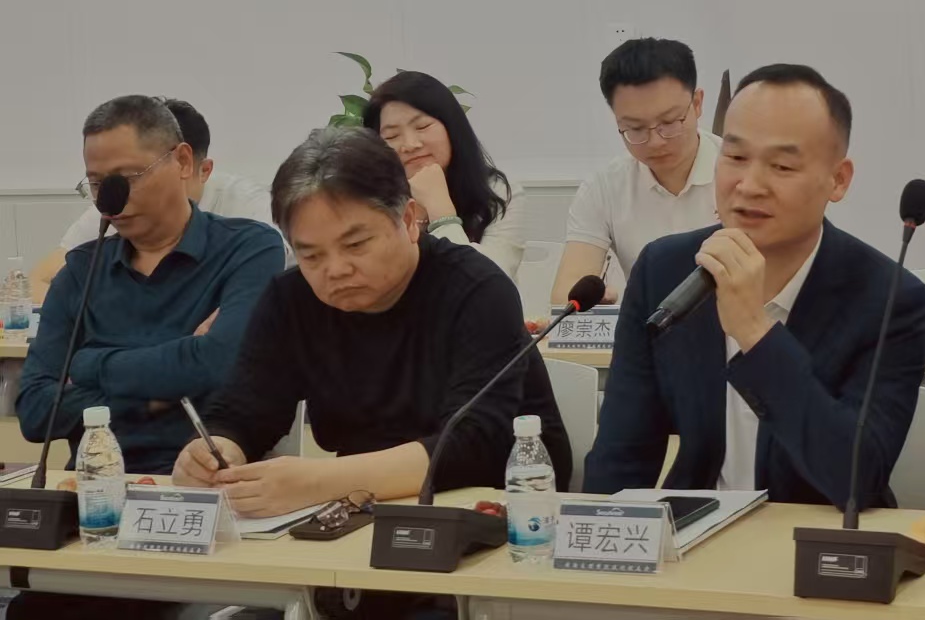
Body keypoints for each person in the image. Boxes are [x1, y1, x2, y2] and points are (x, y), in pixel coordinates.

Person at [174, 127, 570, 519]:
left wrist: (320, 482)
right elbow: (245, 410)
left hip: (498, 507)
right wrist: (217, 449)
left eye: (355, 244)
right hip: (364, 505)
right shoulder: (291, 298)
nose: (335, 269)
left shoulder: (477, 288)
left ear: (409, 219)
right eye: (311, 255)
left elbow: (473, 444)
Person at [585, 64, 925, 508]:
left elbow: (856, 479)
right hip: (699, 533)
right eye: (734, 157)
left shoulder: (891, 299)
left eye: (782, 166)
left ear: (838, 180)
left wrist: (755, 331)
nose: (749, 186)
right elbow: (622, 454)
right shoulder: (664, 269)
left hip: (817, 537)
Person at [18, 96, 284, 475]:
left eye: (127, 178)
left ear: (183, 162)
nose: (111, 201)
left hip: (207, 483)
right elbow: (34, 411)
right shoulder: (80, 270)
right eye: (96, 183)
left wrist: (88, 364)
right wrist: (154, 397)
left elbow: (221, 365)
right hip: (94, 486)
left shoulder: (248, 248)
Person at [32, 97, 280, 301]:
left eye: (131, 177)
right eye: (97, 182)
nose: (118, 201)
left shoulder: (251, 215)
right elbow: (38, 279)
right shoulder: (116, 207)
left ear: (189, 165)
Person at [551, 37, 722, 305]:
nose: (655, 141)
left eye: (669, 121)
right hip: (651, 325)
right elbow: (566, 294)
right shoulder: (604, 187)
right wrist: (591, 304)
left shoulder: (741, 171)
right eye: (635, 128)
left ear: (697, 103)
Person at [365, 71, 527, 280]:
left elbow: (488, 284)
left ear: (452, 127)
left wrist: (441, 211)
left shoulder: (498, 193)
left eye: (422, 126)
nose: (410, 145)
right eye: (392, 136)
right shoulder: (371, 202)